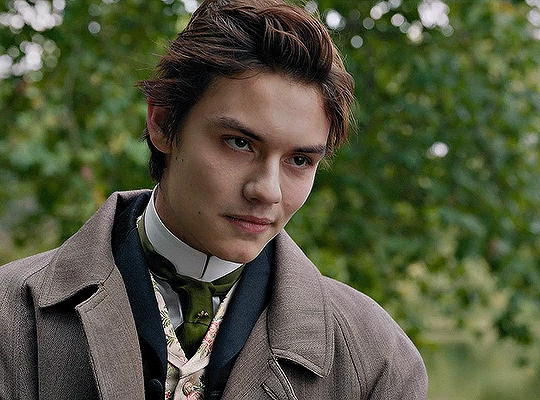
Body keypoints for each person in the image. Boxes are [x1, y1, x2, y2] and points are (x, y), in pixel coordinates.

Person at [0, 0, 427, 399]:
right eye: (239, 143)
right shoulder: (9, 319)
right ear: (163, 123)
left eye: (299, 160)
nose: (268, 191)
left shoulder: (378, 358)